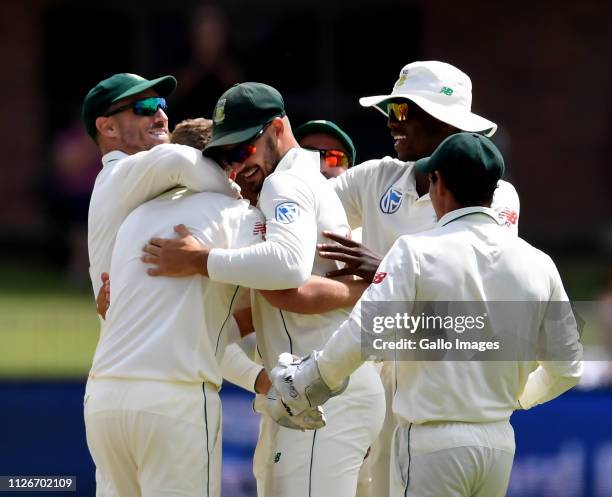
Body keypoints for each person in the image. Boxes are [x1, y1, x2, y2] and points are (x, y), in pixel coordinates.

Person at [271, 132, 583, 497]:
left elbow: (366, 332)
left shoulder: (414, 251)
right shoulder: (538, 261)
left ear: (438, 183)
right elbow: (568, 367)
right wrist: (518, 398)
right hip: (498, 442)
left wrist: (306, 381)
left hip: (430, 442)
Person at [141, 82, 385, 497]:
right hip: (319, 390)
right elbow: (250, 312)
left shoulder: (283, 184)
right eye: (225, 155)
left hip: (324, 393)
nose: (236, 166)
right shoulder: (292, 183)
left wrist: (199, 259)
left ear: (276, 128)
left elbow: (285, 268)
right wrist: (257, 378)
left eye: (243, 149)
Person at [83, 75, 309, 496]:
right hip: (174, 399)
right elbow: (289, 271)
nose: (160, 113)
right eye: (145, 107)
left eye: (160, 105)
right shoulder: (228, 209)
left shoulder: (139, 213)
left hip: (106, 395)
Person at [316, 61, 521, 497]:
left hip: (443, 387)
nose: (392, 123)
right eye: (390, 110)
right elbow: (303, 216)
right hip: (371, 375)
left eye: (404, 112)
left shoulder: (495, 192)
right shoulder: (377, 176)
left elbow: (479, 288)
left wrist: (385, 271)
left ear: (445, 121)